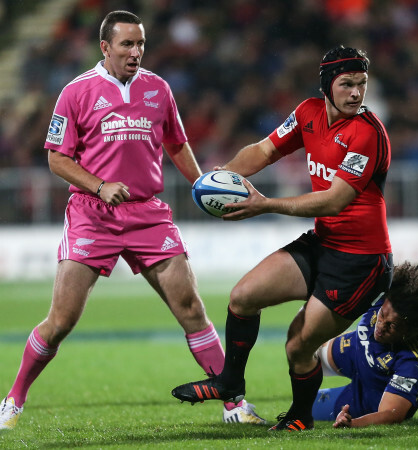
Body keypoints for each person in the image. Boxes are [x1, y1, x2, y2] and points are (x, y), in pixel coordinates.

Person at [0, 11, 264, 431]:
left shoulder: (158, 89)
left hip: (147, 214)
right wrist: (99, 184)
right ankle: (13, 398)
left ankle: (234, 403)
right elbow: (56, 157)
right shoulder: (76, 91)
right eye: (127, 44)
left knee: (192, 308)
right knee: (62, 320)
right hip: (92, 214)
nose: (136, 52)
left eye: (140, 44)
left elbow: (177, 144)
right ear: (105, 47)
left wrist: (202, 188)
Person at [171, 45, 394, 432]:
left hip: (361, 263)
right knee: (243, 297)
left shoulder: (367, 133)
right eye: (347, 84)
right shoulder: (308, 112)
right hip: (324, 244)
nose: (356, 93)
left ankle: (300, 417)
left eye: (362, 84)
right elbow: (265, 149)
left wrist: (265, 203)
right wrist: (221, 177)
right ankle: (230, 382)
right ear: (327, 85)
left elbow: (334, 200)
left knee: (297, 346)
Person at [312, 261, 418, 428]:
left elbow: (392, 414)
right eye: (382, 314)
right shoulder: (389, 296)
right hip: (355, 350)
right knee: (301, 350)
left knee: (307, 407)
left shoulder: (413, 361)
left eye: (392, 325)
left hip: (366, 395)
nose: (380, 327)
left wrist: (352, 423)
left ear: (409, 332)